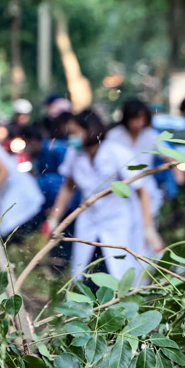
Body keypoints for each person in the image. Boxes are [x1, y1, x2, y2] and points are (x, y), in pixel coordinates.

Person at [45, 110, 164, 281]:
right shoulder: (75, 154)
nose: (72, 137)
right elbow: (68, 188)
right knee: (85, 272)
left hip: (117, 222)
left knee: (117, 272)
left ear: (90, 129)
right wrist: (54, 218)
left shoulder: (116, 152)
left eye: (75, 132)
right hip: (89, 221)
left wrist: (148, 227)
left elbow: (141, 190)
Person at [105, 98, 165, 222]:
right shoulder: (114, 136)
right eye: (135, 118)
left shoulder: (151, 135)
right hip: (121, 188)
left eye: (142, 119)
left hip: (145, 185)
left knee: (146, 223)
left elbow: (168, 154)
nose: (139, 123)